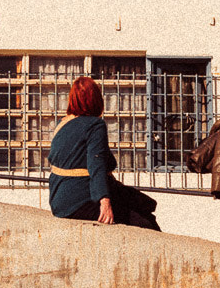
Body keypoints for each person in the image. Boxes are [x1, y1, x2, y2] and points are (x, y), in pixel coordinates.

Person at [47, 75, 160, 229]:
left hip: (59, 201)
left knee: (144, 203)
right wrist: (104, 201)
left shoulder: (62, 124)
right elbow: (96, 164)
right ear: (96, 99)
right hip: (81, 200)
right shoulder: (95, 125)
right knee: (145, 220)